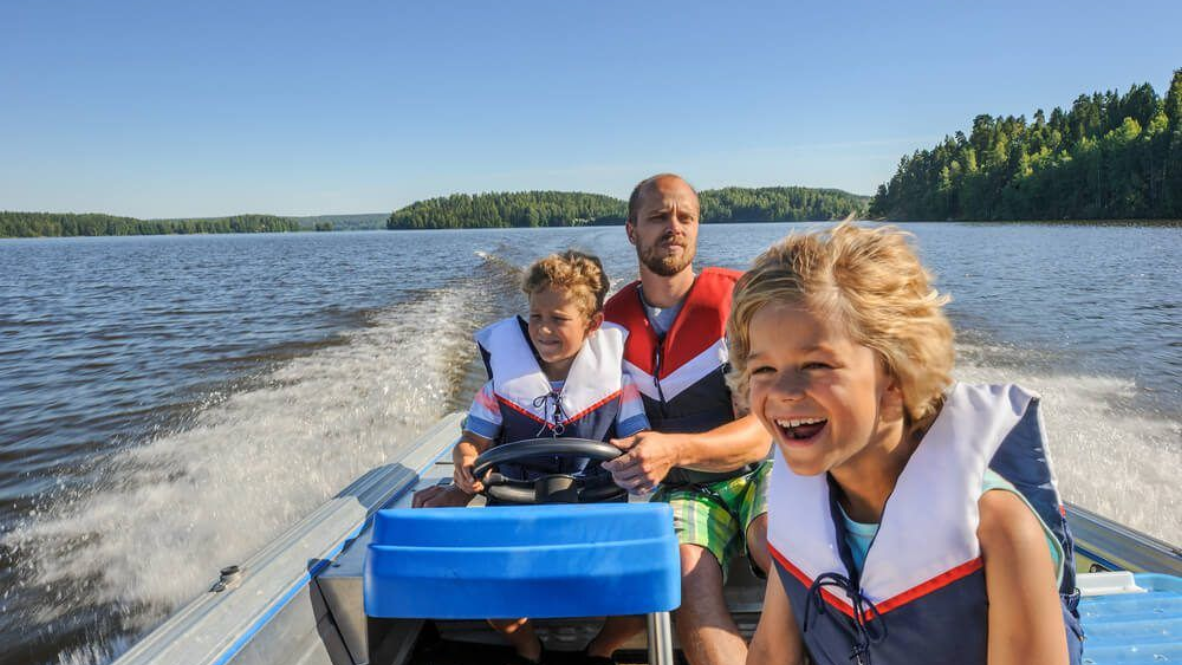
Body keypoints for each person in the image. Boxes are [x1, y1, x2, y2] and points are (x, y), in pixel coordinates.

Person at [731, 223, 1083, 665]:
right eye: (763, 369)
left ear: (895, 378)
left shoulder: (1001, 529)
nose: (783, 390)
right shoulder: (797, 507)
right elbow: (769, 653)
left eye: (817, 364)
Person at [412, 249, 650, 665]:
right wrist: (464, 464)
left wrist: (635, 459)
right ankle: (527, 648)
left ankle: (600, 650)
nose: (543, 329)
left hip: (594, 509)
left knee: (641, 604)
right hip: (514, 510)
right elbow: (472, 442)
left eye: (558, 319)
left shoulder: (621, 385)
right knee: (494, 600)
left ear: (593, 325)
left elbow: (640, 441)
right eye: (536, 317)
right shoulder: (499, 387)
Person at [600, 173, 774, 665]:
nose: (673, 227)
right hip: (683, 489)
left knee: (777, 541)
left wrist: (673, 448)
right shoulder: (607, 328)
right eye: (658, 217)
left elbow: (763, 433)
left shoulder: (742, 305)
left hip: (761, 470)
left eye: (685, 217)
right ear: (632, 230)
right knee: (686, 572)